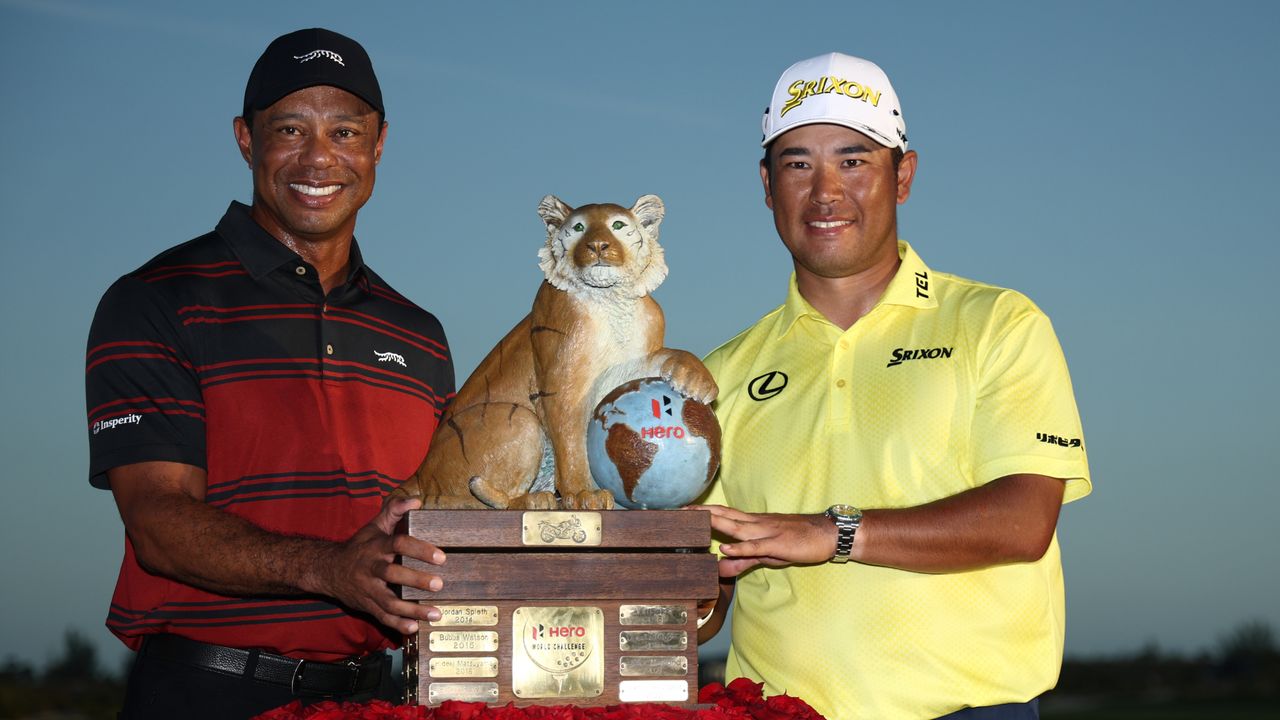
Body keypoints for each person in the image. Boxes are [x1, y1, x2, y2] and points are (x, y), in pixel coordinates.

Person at [693, 53, 1092, 719]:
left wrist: (835, 533)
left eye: (853, 161)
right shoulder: (720, 374)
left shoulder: (998, 323)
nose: (825, 191)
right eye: (798, 164)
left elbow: (1025, 520)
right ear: (767, 185)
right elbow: (709, 590)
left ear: (902, 175)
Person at [84, 28, 455, 719]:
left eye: (345, 132)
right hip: (208, 695)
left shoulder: (417, 332)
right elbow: (158, 523)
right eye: (290, 129)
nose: (319, 157)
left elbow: (448, 518)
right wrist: (331, 569)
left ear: (378, 145)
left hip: (380, 697)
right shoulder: (155, 299)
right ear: (245, 139)